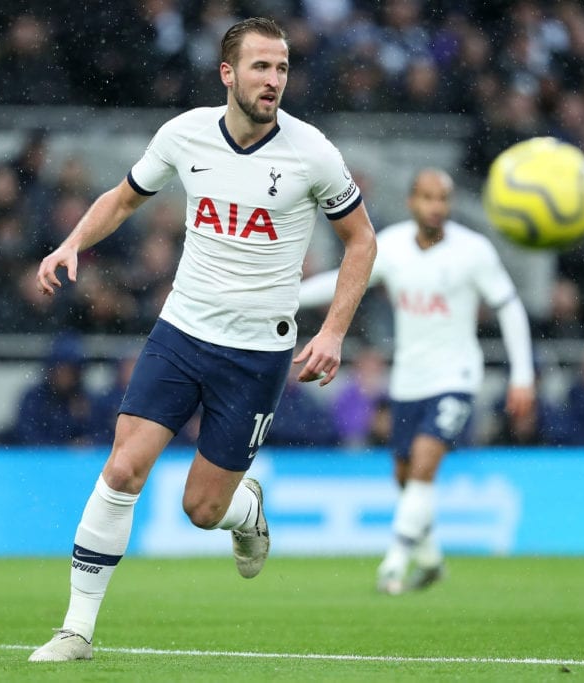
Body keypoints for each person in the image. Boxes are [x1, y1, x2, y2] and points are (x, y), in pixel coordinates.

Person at [28, 17, 377, 663]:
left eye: (281, 68)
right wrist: (71, 242)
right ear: (227, 73)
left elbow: (362, 240)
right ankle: (76, 629)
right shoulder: (184, 134)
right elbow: (124, 198)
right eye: (260, 67)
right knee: (123, 468)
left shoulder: (312, 153)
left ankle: (245, 510)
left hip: (257, 354)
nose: (273, 80)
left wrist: (332, 331)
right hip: (182, 332)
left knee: (201, 507)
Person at [299, 168, 534, 595]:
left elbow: (509, 306)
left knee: (425, 463)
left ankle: (393, 564)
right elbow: (342, 282)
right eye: (427, 198)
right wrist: (288, 296)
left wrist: (522, 375)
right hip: (408, 379)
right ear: (411, 202)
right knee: (406, 477)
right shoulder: (390, 247)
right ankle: (430, 560)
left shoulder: (473, 250)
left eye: (442, 199)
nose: (435, 207)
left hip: (456, 376)